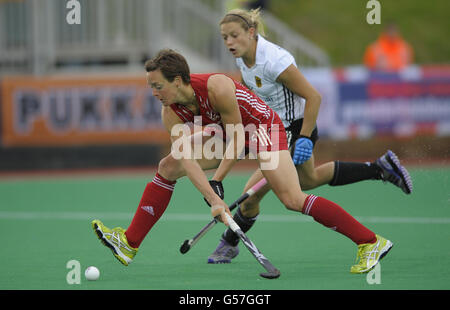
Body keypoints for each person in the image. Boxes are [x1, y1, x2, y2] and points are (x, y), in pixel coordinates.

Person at [92, 48, 393, 274]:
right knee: (168, 166)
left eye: (158, 86)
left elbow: (238, 140)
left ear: (179, 80)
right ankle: (129, 243)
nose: (154, 93)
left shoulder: (216, 87)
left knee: (292, 197)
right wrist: (214, 200)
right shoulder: (170, 112)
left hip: (264, 130)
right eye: (151, 87)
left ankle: (370, 242)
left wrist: (218, 180)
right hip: (227, 134)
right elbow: (186, 159)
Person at [207, 8, 412, 265]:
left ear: (251, 32)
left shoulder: (274, 61)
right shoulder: (241, 58)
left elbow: (314, 97)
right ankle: (380, 169)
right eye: (224, 37)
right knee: (309, 180)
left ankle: (229, 242)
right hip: (274, 129)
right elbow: (252, 95)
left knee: (257, 194)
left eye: (234, 36)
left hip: (295, 129)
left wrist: (304, 138)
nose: (229, 43)